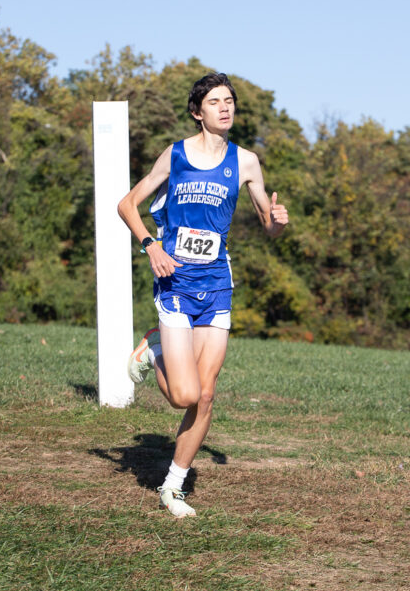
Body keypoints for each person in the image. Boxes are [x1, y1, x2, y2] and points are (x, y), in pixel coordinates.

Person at [117, 73, 289, 517]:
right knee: (183, 396)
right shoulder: (175, 155)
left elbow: (266, 224)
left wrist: (277, 222)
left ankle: (172, 487)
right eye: (214, 102)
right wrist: (150, 245)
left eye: (229, 100)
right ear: (198, 112)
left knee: (207, 394)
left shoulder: (246, 162)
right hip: (175, 282)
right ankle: (154, 347)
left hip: (216, 284)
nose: (225, 108)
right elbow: (127, 204)